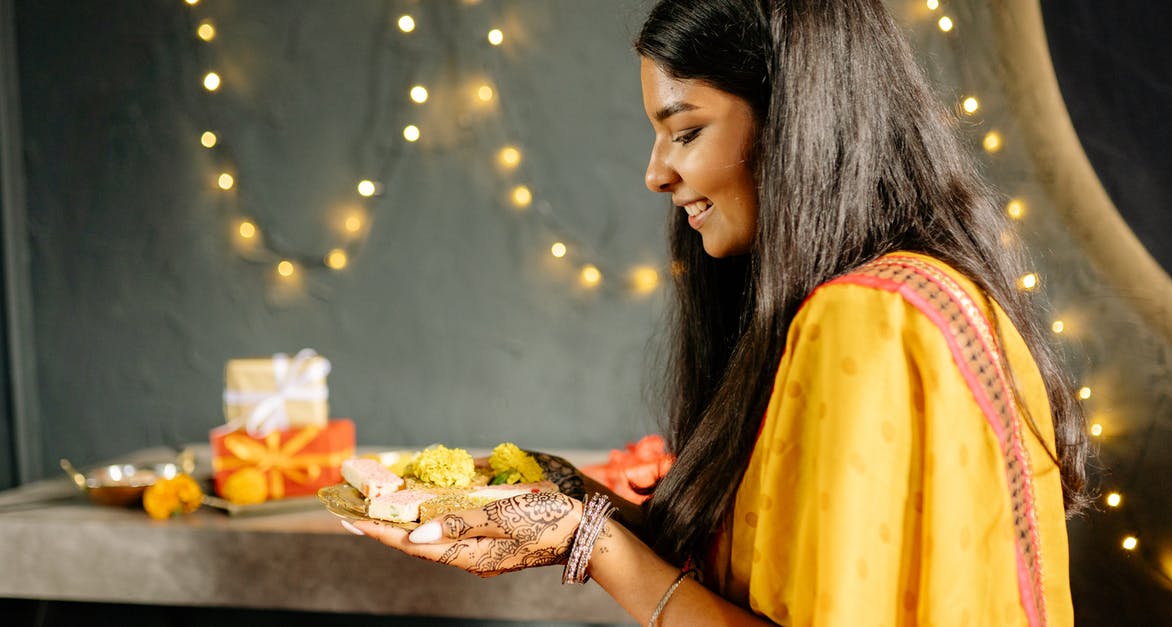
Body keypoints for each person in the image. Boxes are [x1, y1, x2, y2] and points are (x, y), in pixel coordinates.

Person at [346, 0, 1089, 624]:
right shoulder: (922, 293)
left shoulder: (866, 319)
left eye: (687, 129)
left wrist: (590, 539)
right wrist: (569, 494)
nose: (656, 172)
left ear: (796, 119)